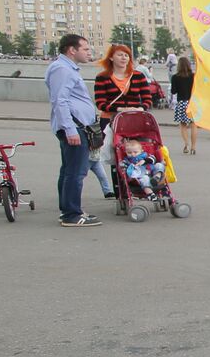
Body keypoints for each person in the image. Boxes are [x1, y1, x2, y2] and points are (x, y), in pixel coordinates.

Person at [45, 33, 102, 227]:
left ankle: (69, 210)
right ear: (72, 50)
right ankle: (71, 214)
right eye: (85, 49)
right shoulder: (62, 69)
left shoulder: (66, 68)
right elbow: (59, 101)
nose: (89, 52)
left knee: (69, 170)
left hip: (76, 126)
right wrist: (70, 129)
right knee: (76, 172)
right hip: (75, 127)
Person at [94, 44, 154, 130]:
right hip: (110, 120)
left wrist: (141, 108)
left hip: (134, 118)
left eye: (126, 55)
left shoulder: (138, 76)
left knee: (135, 143)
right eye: (120, 55)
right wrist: (120, 109)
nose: (124, 57)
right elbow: (100, 103)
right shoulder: (102, 77)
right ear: (111, 58)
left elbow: (148, 99)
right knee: (111, 143)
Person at [170, 57, 197, 154]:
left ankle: (186, 144)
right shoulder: (194, 76)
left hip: (181, 103)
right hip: (192, 103)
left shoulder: (175, 77)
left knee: (183, 125)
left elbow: (173, 91)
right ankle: (193, 147)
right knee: (193, 125)